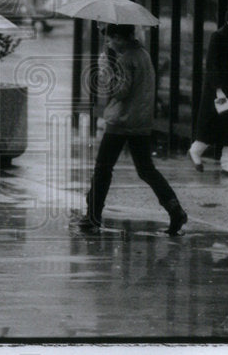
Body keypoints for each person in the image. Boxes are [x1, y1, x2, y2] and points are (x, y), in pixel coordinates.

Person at [79, 24, 188, 235]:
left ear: (120, 38)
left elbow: (121, 92)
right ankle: (175, 210)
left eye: (111, 39)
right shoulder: (143, 55)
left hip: (121, 122)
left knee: (102, 169)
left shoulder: (126, 59)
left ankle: (92, 217)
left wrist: (106, 72)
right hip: (140, 122)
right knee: (146, 169)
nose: (109, 43)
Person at [188, 7, 228, 174]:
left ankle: (224, 163)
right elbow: (212, 64)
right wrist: (218, 89)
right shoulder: (219, 36)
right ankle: (200, 153)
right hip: (220, 90)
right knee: (216, 125)